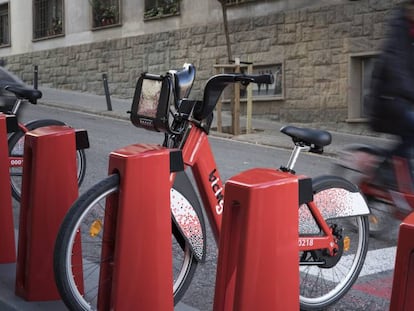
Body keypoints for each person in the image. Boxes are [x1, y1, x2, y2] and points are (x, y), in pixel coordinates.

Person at [368, 1, 414, 175]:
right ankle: (386, 166)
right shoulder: (399, 31)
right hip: (387, 100)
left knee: (408, 141)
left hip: (403, 100)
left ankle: (398, 172)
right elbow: (396, 68)